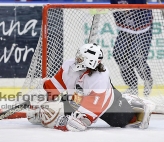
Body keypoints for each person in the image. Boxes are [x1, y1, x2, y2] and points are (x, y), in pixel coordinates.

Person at [67, 0, 156, 96]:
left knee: (137, 58)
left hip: (143, 28)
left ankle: (147, 80)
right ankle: (132, 86)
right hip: (125, 29)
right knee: (120, 56)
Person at [27, 43, 155, 131]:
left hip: (107, 105)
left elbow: (88, 116)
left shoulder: (99, 79)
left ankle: (131, 104)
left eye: (81, 58)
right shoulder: (70, 66)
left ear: (90, 61)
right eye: (78, 56)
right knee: (62, 107)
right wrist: (42, 97)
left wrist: (81, 119)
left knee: (122, 120)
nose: (77, 59)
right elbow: (55, 85)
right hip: (78, 98)